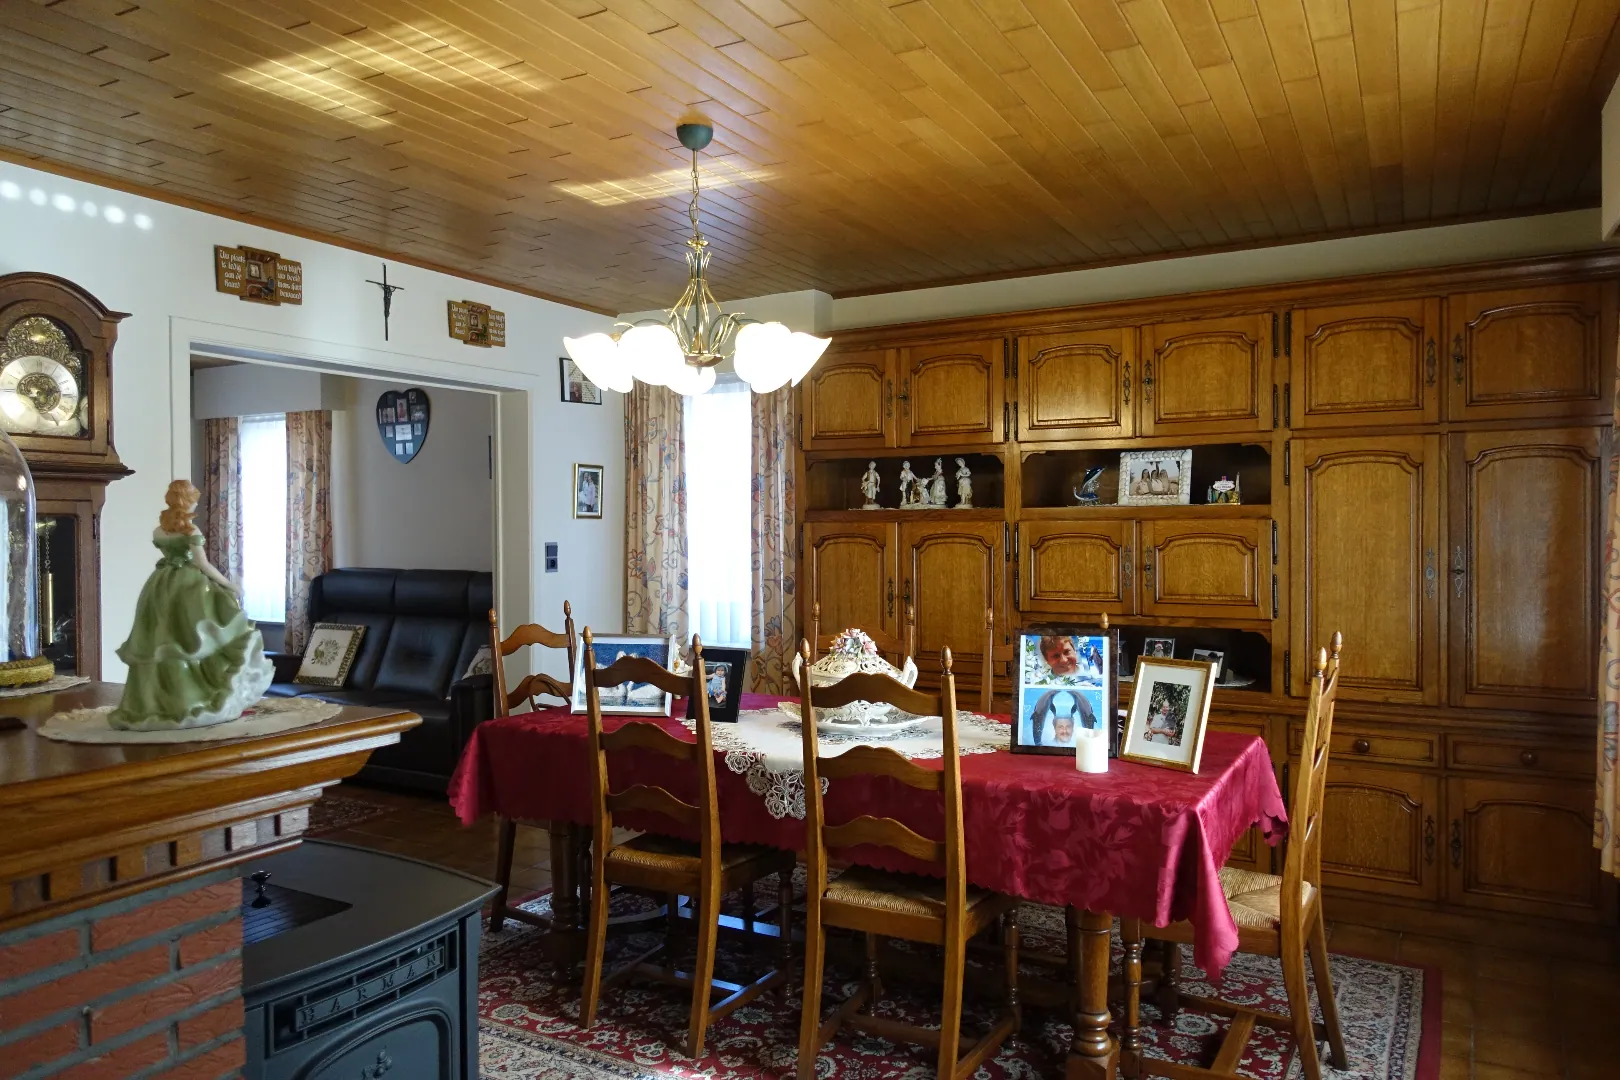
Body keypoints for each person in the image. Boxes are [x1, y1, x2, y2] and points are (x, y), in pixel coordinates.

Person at [108, 480, 274, 730]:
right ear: (187, 500)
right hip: (188, 587)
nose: (196, 503)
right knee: (190, 637)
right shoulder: (190, 531)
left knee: (160, 638)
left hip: (159, 585)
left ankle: (153, 703)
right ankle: (192, 697)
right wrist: (229, 584)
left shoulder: (160, 530)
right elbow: (202, 564)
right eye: (194, 499)